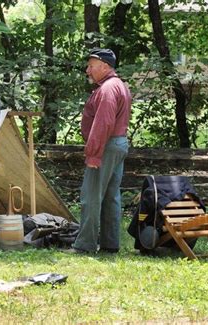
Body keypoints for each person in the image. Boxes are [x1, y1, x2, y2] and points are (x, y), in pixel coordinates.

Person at [68, 48, 131, 254]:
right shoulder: (118, 85)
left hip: (106, 146)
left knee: (91, 196)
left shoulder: (107, 89)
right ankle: (110, 244)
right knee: (111, 196)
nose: (88, 70)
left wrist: (94, 154)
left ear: (105, 66)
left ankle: (84, 245)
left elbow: (103, 124)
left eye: (91, 66)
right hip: (117, 144)